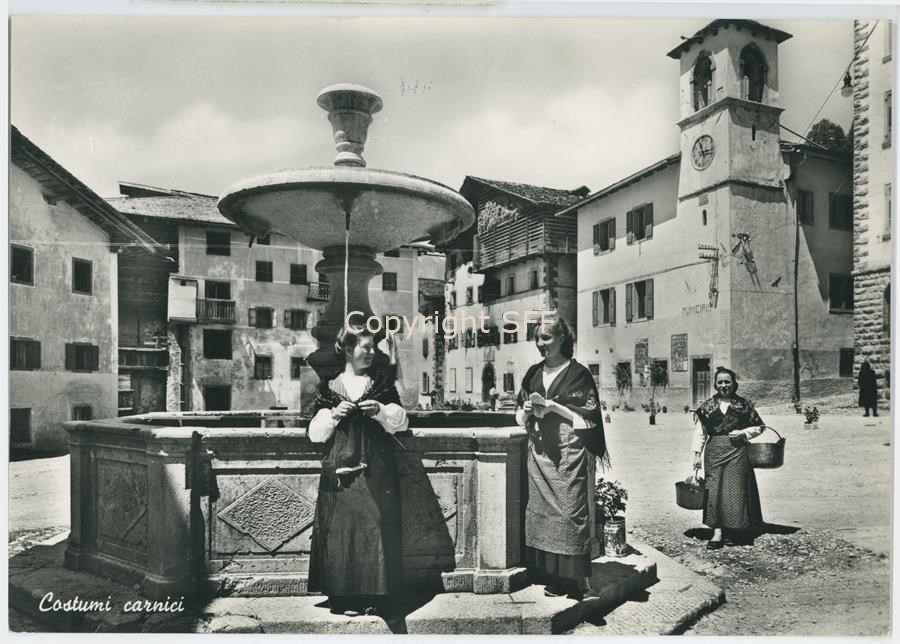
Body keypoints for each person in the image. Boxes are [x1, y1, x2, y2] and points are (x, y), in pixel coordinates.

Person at [307, 326, 408, 616]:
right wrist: (332, 415)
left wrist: (380, 411)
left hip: (376, 470)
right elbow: (315, 434)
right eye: (366, 347)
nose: (372, 352)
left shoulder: (381, 383)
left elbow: (402, 421)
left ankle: (377, 597)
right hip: (339, 470)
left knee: (377, 529)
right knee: (342, 532)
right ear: (349, 350)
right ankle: (343, 598)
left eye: (373, 347)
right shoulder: (329, 386)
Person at [515, 315, 608, 598]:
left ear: (562, 338)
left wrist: (555, 408)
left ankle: (578, 579)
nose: (540, 343)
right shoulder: (533, 373)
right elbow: (519, 414)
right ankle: (553, 576)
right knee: (544, 515)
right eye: (537, 338)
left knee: (570, 513)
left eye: (546, 337)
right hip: (540, 454)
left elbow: (589, 417)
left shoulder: (578, 374)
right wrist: (527, 411)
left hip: (569, 453)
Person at [691, 367, 765, 550]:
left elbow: (760, 427)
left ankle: (732, 530)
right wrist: (697, 455)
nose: (724, 385)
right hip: (714, 453)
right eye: (720, 382)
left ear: (734, 384)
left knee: (734, 491)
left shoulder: (743, 405)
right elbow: (700, 432)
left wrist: (744, 433)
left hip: (737, 452)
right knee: (714, 491)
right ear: (715, 385)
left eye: (727, 382)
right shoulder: (707, 407)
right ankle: (717, 532)